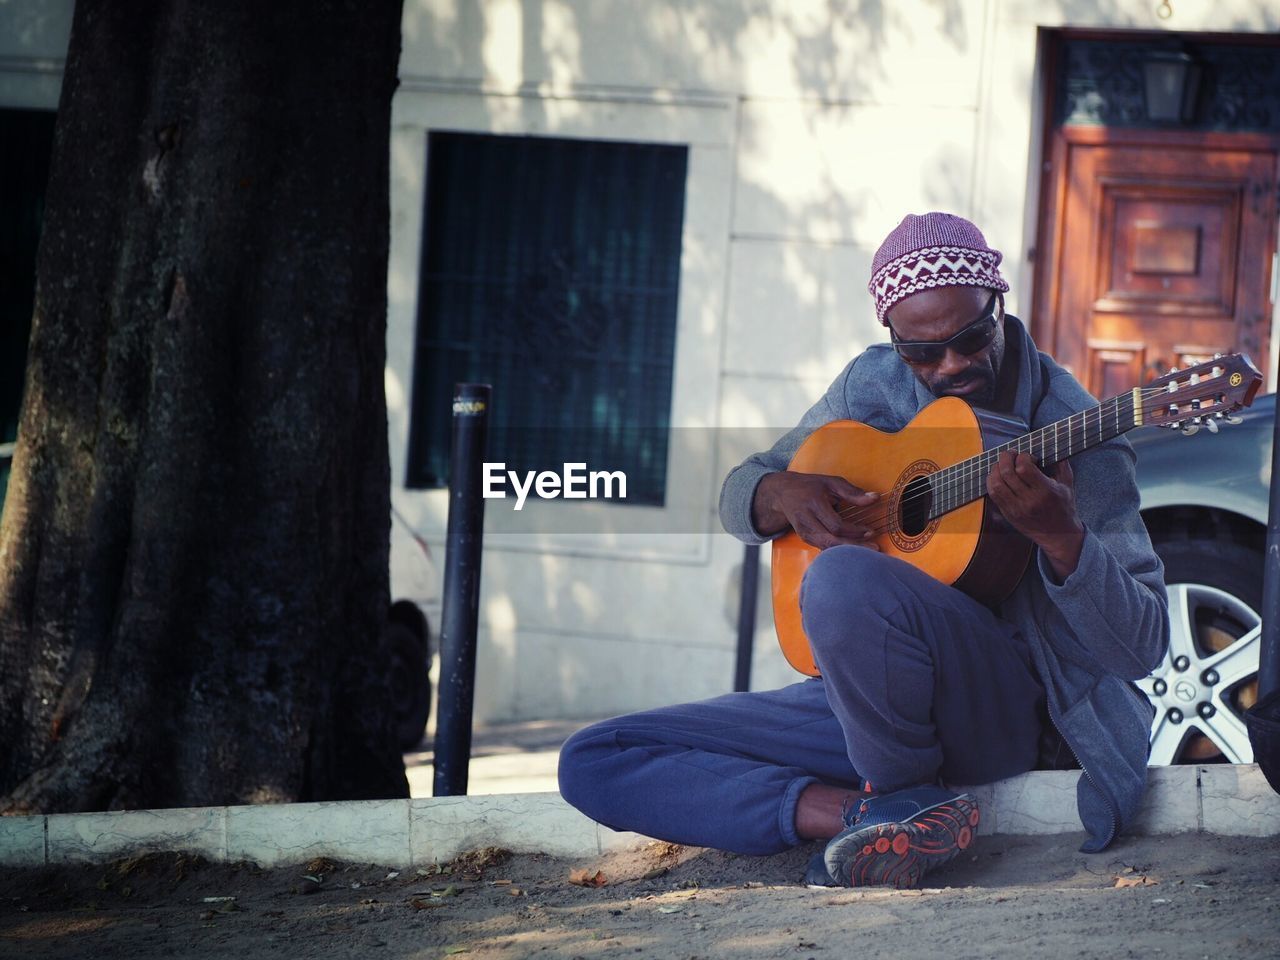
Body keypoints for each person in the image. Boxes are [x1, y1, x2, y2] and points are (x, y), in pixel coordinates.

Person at [558, 212, 1169, 888]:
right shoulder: (869, 387)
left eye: (970, 339)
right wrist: (781, 493)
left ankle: (896, 801)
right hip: (871, 705)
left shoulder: (1077, 433)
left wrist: (1063, 540)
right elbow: (740, 493)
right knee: (597, 756)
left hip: (1009, 707)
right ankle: (868, 816)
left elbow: (1139, 647)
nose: (952, 366)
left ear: (998, 306)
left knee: (846, 576)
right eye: (923, 353)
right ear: (894, 341)